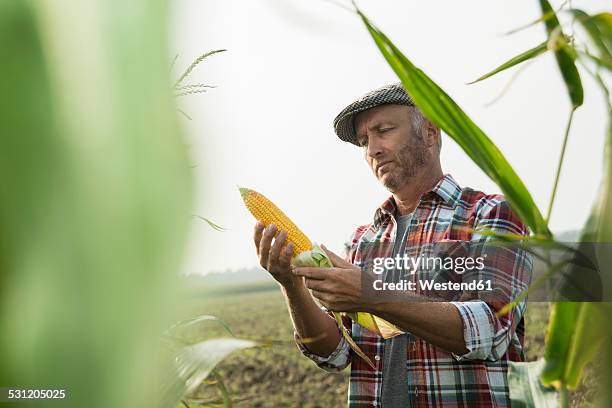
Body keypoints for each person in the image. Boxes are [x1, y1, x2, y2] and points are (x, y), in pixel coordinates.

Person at [252, 83, 532, 407]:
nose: (372, 149)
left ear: (429, 132)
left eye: (383, 131)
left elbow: (491, 327)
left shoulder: (491, 215)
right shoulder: (363, 241)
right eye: (363, 141)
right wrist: (291, 285)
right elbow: (335, 353)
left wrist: (369, 294)